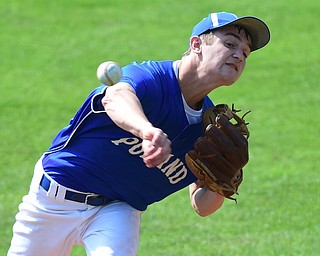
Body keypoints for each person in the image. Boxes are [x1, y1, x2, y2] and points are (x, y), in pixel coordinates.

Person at [8, 11, 270, 256]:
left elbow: (201, 206)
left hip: (117, 211)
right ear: (197, 45)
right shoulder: (152, 77)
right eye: (230, 44)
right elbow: (116, 97)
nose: (239, 55)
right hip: (53, 199)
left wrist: (226, 181)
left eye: (246, 53)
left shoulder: (209, 128)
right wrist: (146, 131)